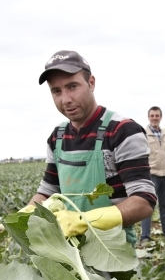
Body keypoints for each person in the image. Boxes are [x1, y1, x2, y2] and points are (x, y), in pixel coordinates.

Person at [25, 50, 155, 246]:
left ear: (91, 83)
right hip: (68, 247)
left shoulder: (123, 130)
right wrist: (26, 213)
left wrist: (84, 221)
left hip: (111, 250)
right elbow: (48, 191)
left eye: (72, 87)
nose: (65, 99)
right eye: (56, 91)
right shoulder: (57, 137)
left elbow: (143, 202)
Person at [139, 107, 165, 246]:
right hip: (151, 175)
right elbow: (139, 154)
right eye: (152, 115)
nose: (154, 118)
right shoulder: (143, 134)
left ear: (160, 117)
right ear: (148, 117)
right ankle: (145, 237)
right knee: (147, 206)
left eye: (157, 115)